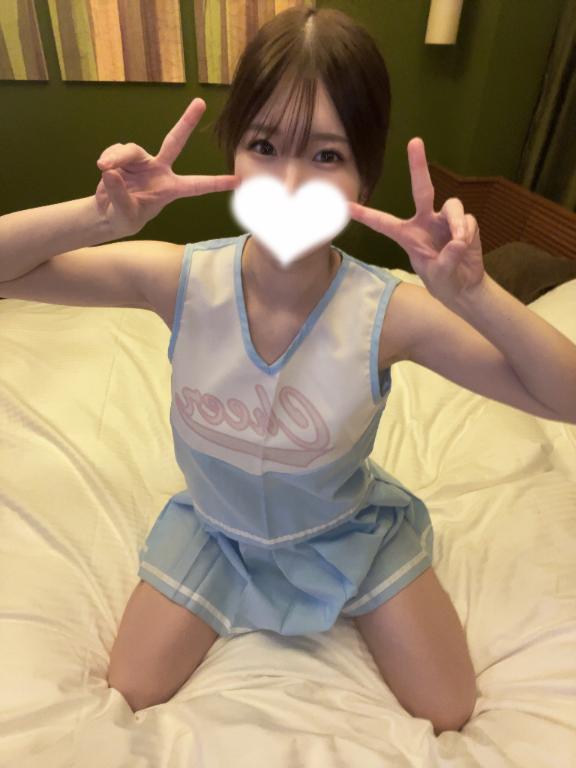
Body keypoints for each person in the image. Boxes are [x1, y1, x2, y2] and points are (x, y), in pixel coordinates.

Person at [0, 6, 488, 733]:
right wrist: (101, 220)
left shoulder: (390, 313)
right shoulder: (178, 279)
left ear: (364, 175)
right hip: (217, 529)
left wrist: (476, 296)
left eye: (326, 155)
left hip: (343, 527)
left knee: (451, 708)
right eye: (264, 144)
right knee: (130, 687)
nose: (288, 181)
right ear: (233, 154)